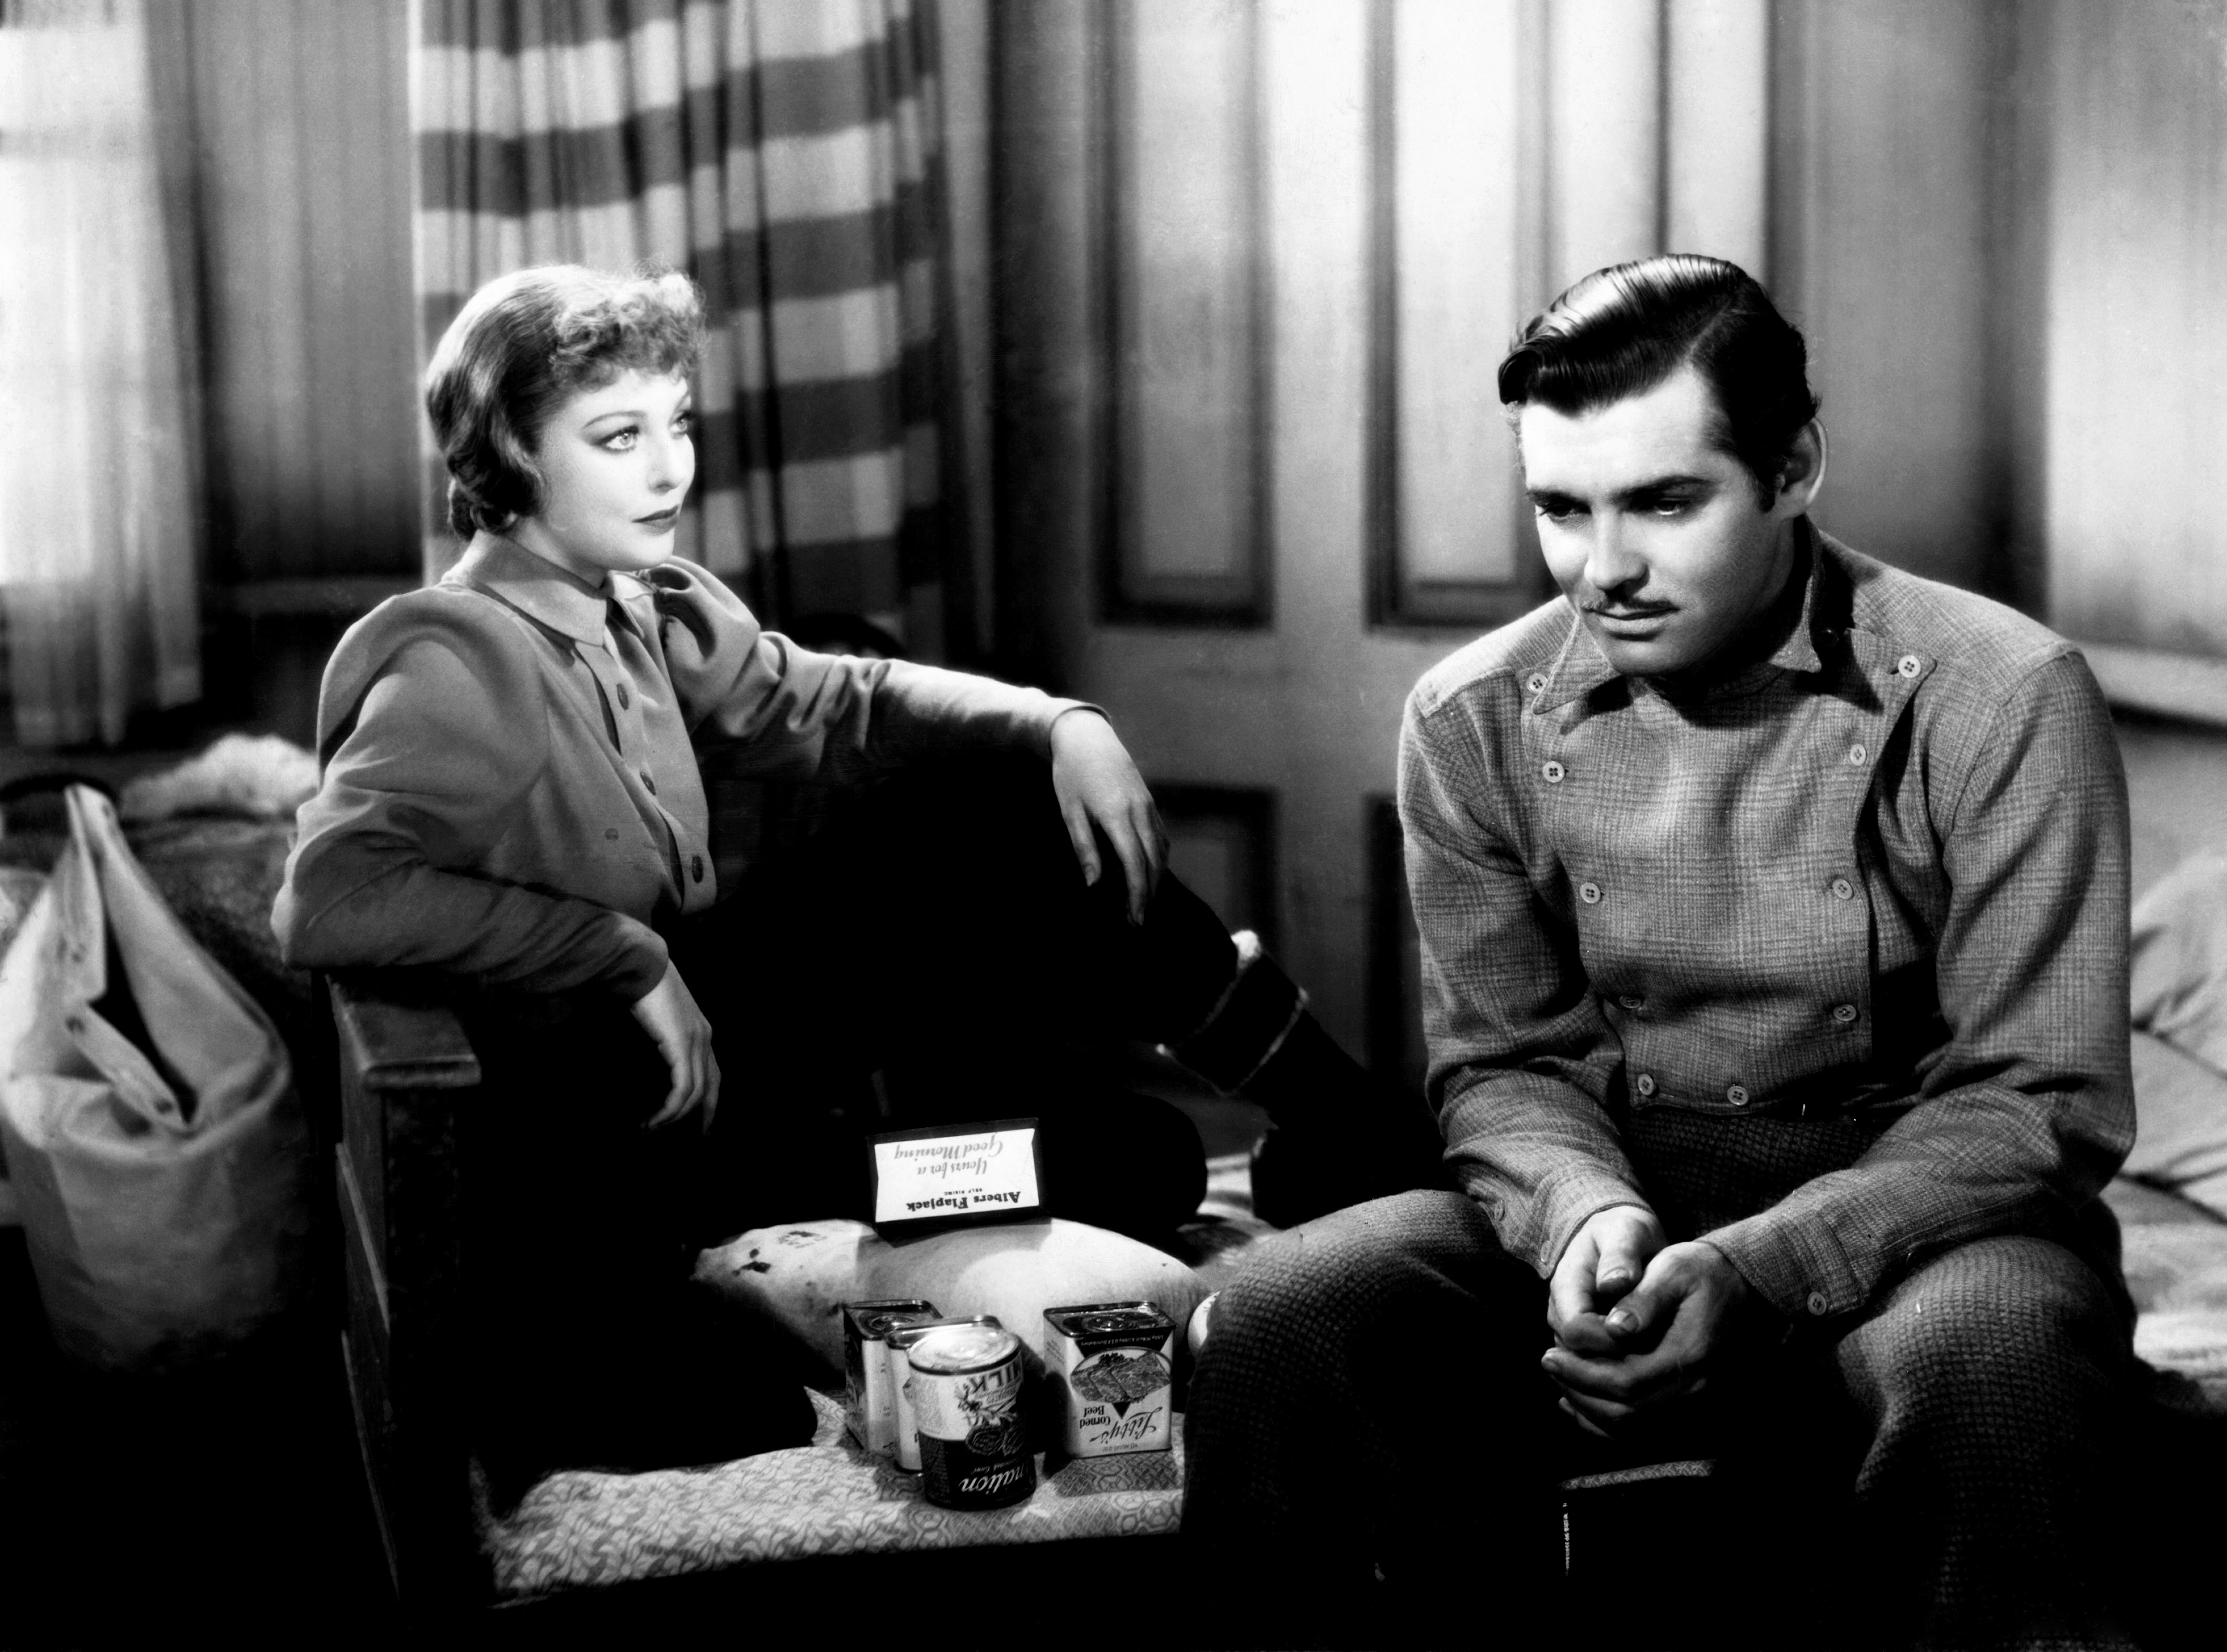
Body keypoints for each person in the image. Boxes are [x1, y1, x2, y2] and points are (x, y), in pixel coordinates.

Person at [272, 263, 1426, 1488]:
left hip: (734, 1083)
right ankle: (1359, 1130)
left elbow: (844, 698)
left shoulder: (636, 608)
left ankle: (1338, 1123)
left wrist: (1057, 722)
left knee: (1140, 1151)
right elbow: (328, 897)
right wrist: (616, 952)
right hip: (639, 1155)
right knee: (1109, 1144)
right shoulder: (454, 662)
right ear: (511, 456)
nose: (669, 470)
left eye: (676, 424)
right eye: (618, 437)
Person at [1179, 256, 2139, 1649]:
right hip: (1622, 1211)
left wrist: (1759, 1272)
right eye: (1561, 510)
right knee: (1281, 1312)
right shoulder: (1470, 715)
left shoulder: (2001, 694)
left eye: (1664, 503)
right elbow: (1504, 1067)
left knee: (1990, 1364)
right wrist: (1582, 1219)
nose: (1603, 569)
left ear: (1793, 468)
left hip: (1932, 1228)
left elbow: (2034, 1103)